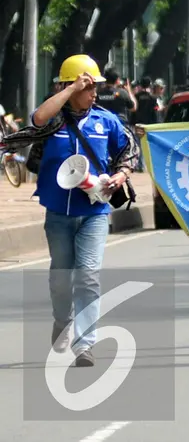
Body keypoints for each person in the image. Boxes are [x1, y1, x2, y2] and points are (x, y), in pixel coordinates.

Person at [8, 55, 138, 367]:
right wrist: (69, 90)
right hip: (57, 211)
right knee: (61, 278)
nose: (94, 93)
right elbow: (38, 118)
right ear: (69, 86)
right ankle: (61, 319)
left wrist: (122, 175)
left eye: (96, 87)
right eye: (88, 86)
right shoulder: (55, 121)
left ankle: (85, 344)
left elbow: (127, 152)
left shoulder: (106, 120)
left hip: (94, 211)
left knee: (88, 276)